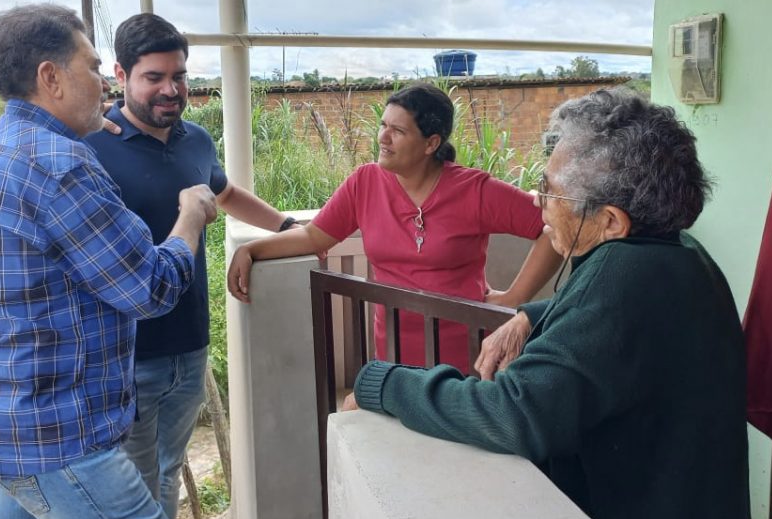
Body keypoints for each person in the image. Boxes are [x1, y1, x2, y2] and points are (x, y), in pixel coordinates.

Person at [344, 89, 753, 519]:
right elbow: (602, 312)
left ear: (609, 221)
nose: (540, 204)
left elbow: (514, 414)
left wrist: (381, 383)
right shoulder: (680, 255)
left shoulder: (623, 278)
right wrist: (530, 314)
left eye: (552, 192)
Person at [0, 4, 214, 519]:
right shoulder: (59, 164)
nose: (103, 80)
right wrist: (190, 220)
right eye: (95, 66)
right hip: (61, 433)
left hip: (10, 421)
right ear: (51, 77)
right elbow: (150, 287)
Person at [84, 14, 296, 519]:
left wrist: (288, 227)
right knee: (132, 499)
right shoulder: (91, 149)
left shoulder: (196, 140)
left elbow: (223, 194)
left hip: (189, 348)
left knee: (165, 475)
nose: (170, 89)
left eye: (177, 76)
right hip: (126, 357)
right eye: (153, 77)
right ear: (120, 75)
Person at [227, 83, 562, 372]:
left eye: (398, 131)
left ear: (431, 143)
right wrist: (252, 249)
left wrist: (515, 298)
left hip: (466, 350)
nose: (383, 138)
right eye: (383, 125)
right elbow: (314, 235)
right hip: (393, 352)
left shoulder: (474, 190)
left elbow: (552, 227)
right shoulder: (365, 182)